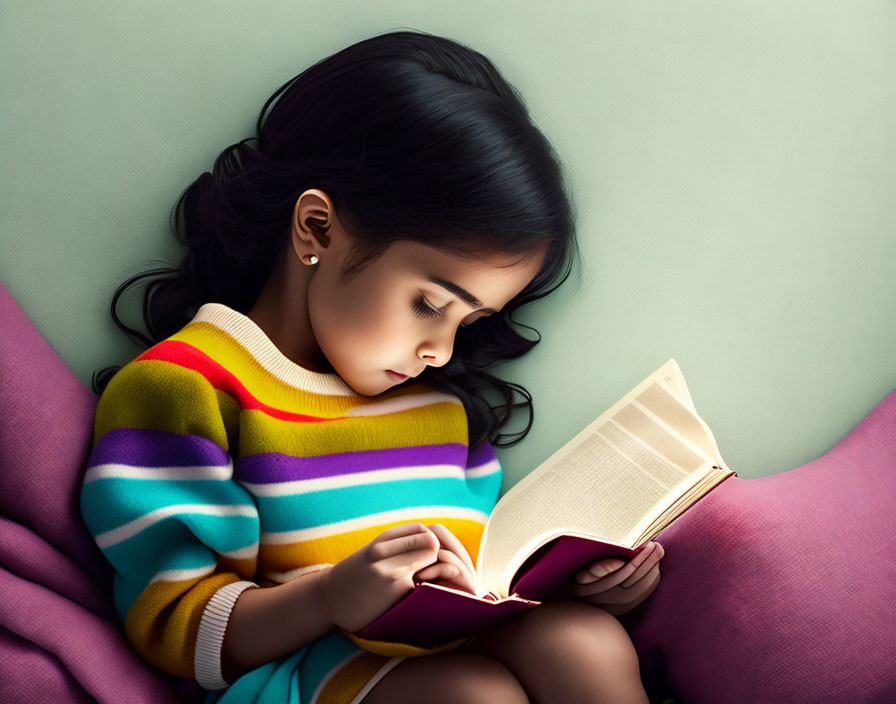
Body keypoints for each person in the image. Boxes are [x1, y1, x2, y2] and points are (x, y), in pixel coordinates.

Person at [79, 29, 664, 704]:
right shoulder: (187, 387)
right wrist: (330, 596)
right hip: (305, 671)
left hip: (447, 646)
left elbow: (482, 584)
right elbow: (173, 628)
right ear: (318, 228)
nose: (440, 351)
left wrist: (587, 586)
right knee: (471, 696)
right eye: (430, 303)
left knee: (583, 642)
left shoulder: (438, 406)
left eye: (469, 323)